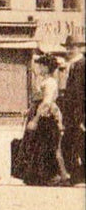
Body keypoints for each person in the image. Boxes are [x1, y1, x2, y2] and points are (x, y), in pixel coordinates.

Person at [18, 54, 71, 187]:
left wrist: (35, 119)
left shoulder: (50, 82)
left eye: (41, 65)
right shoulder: (43, 80)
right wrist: (30, 111)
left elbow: (46, 102)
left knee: (49, 146)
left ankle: (59, 175)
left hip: (46, 118)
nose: (39, 67)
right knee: (39, 146)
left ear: (47, 67)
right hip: (40, 114)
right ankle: (42, 175)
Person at [59, 33, 84, 185]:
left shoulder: (82, 65)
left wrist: (82, 118)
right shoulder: (73, 66)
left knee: (75, 146)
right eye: (67, 48)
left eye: (72, 48)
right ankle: (75, 177)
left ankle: (77, 178)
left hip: (78, 116)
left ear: (79, 48)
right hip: (71, 116)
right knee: (70, 145)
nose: (69, 51)